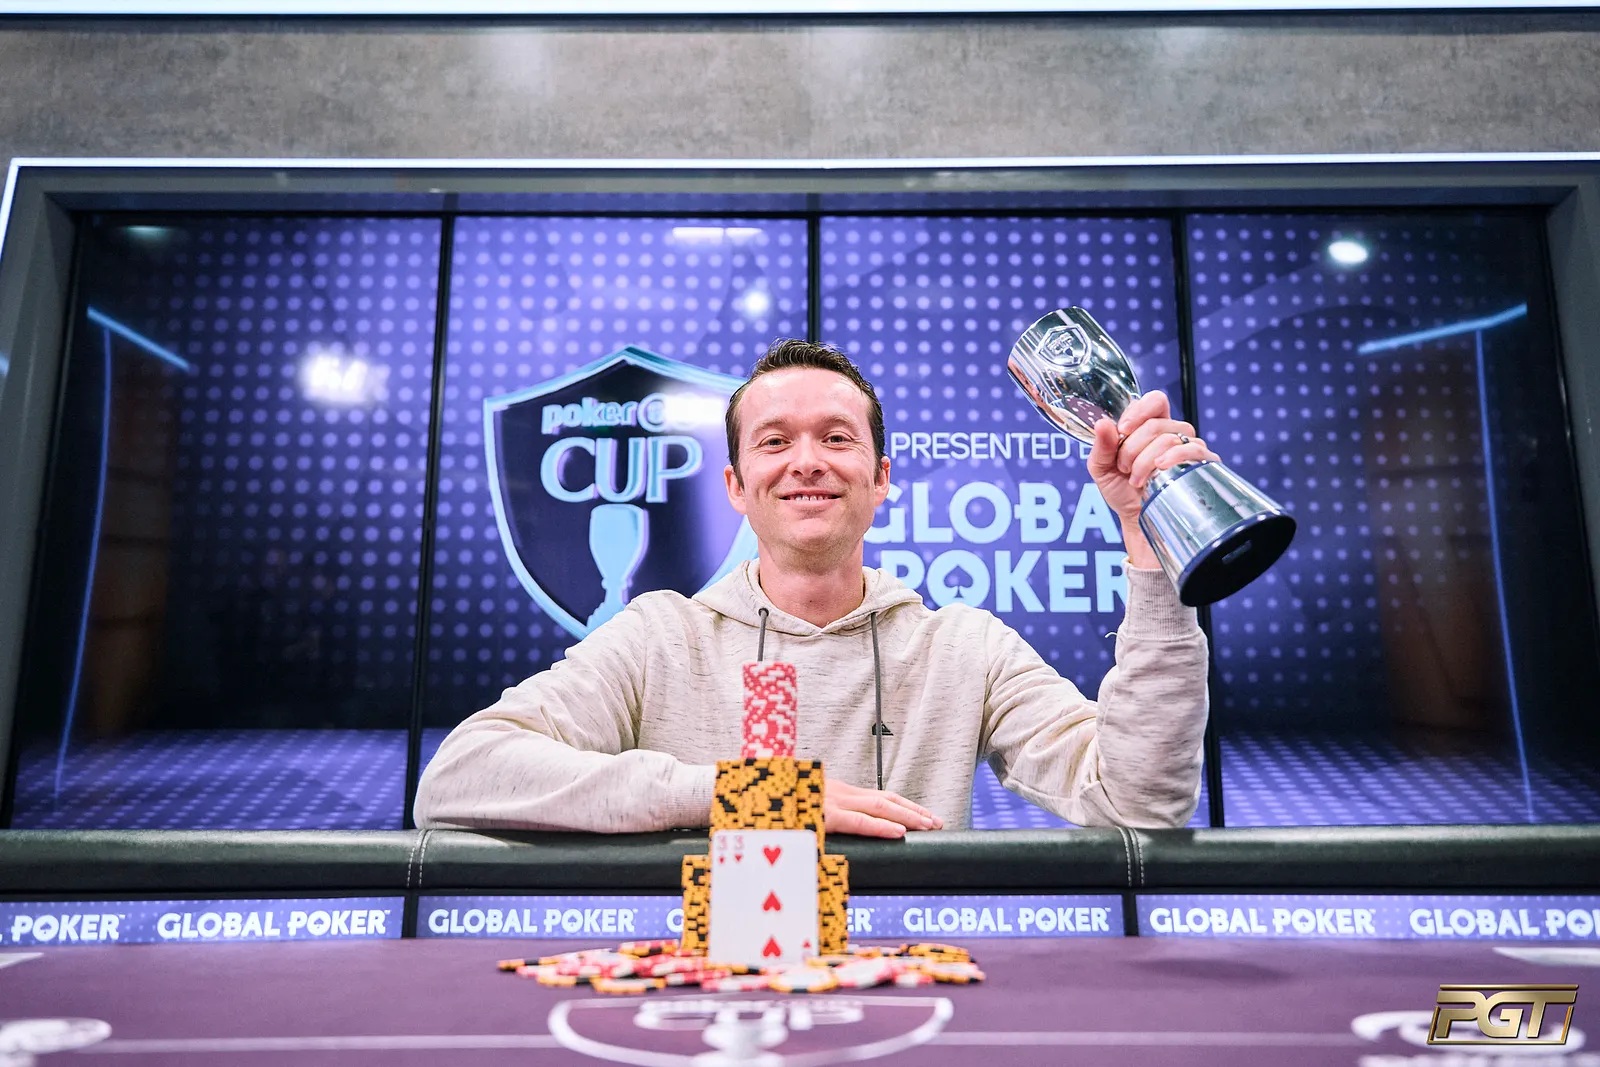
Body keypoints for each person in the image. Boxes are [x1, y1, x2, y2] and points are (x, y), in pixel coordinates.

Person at [415, 340, 1213, 837]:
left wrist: (1148, 540)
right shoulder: (660, 636)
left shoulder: (963, 648)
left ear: (881, 478)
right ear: (735, 485)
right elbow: (460, 777)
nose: (807, 461)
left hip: (918, 997)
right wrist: (749, 795)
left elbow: (1139, 803)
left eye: (836, 437)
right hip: (708, 1005)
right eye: (774, 442)